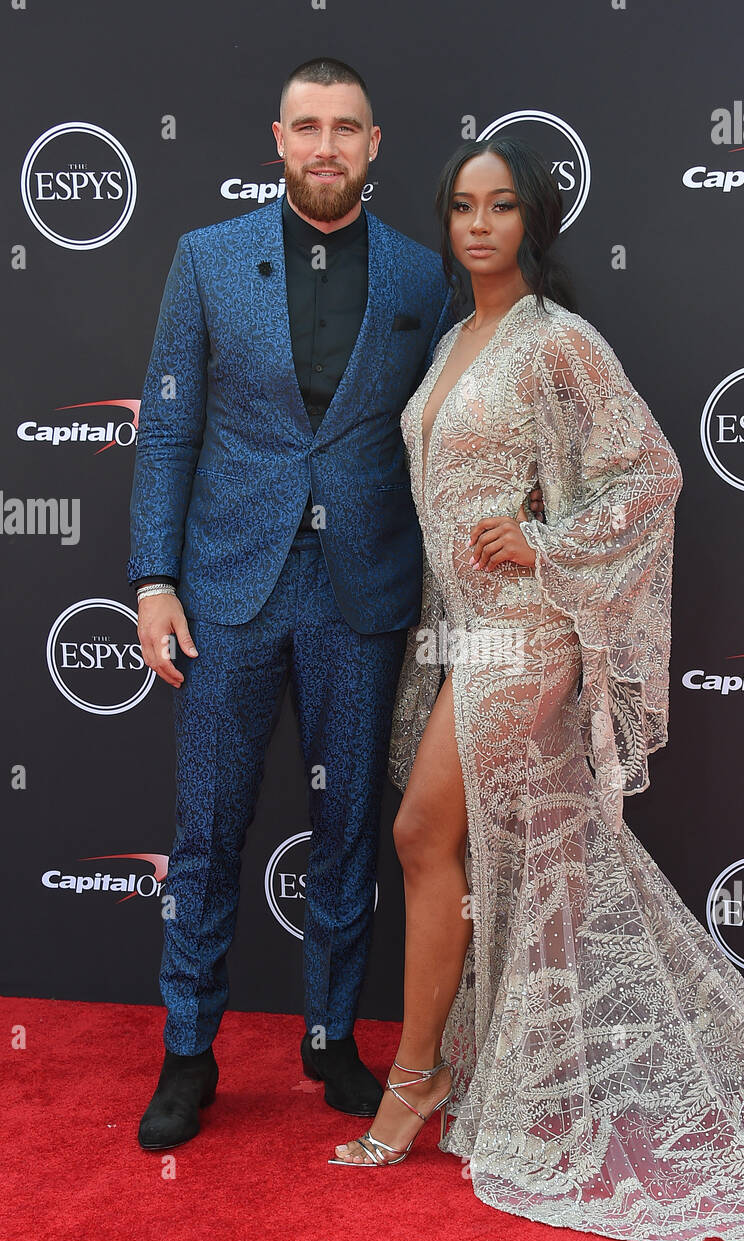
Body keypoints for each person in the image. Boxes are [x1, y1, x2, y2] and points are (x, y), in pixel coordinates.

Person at [329, 136, 744, 1241]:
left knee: (425, 831)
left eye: (500, 205)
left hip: (527, 630)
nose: (477, 225)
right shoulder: (456, 337)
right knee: (518, 852)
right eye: (461, 206)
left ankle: (416, 1080)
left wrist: (545, 541)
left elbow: (648, 471)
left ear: (532, 223)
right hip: (462, 632)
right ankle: (492, 1071)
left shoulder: (555, 342)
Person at [129, 57, 467, 1149]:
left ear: (376, 146)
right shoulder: (205, 260)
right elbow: (170, 426)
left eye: (347, 129)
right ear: (277, 141)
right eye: (307, 127)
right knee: (210, 827)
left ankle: (330, 1038)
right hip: (228, 584)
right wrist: (151, 580)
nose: (326, 146)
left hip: (362, 587)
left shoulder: (421, 279)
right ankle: (189, 1050)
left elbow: (438, 437)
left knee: (348, 831)